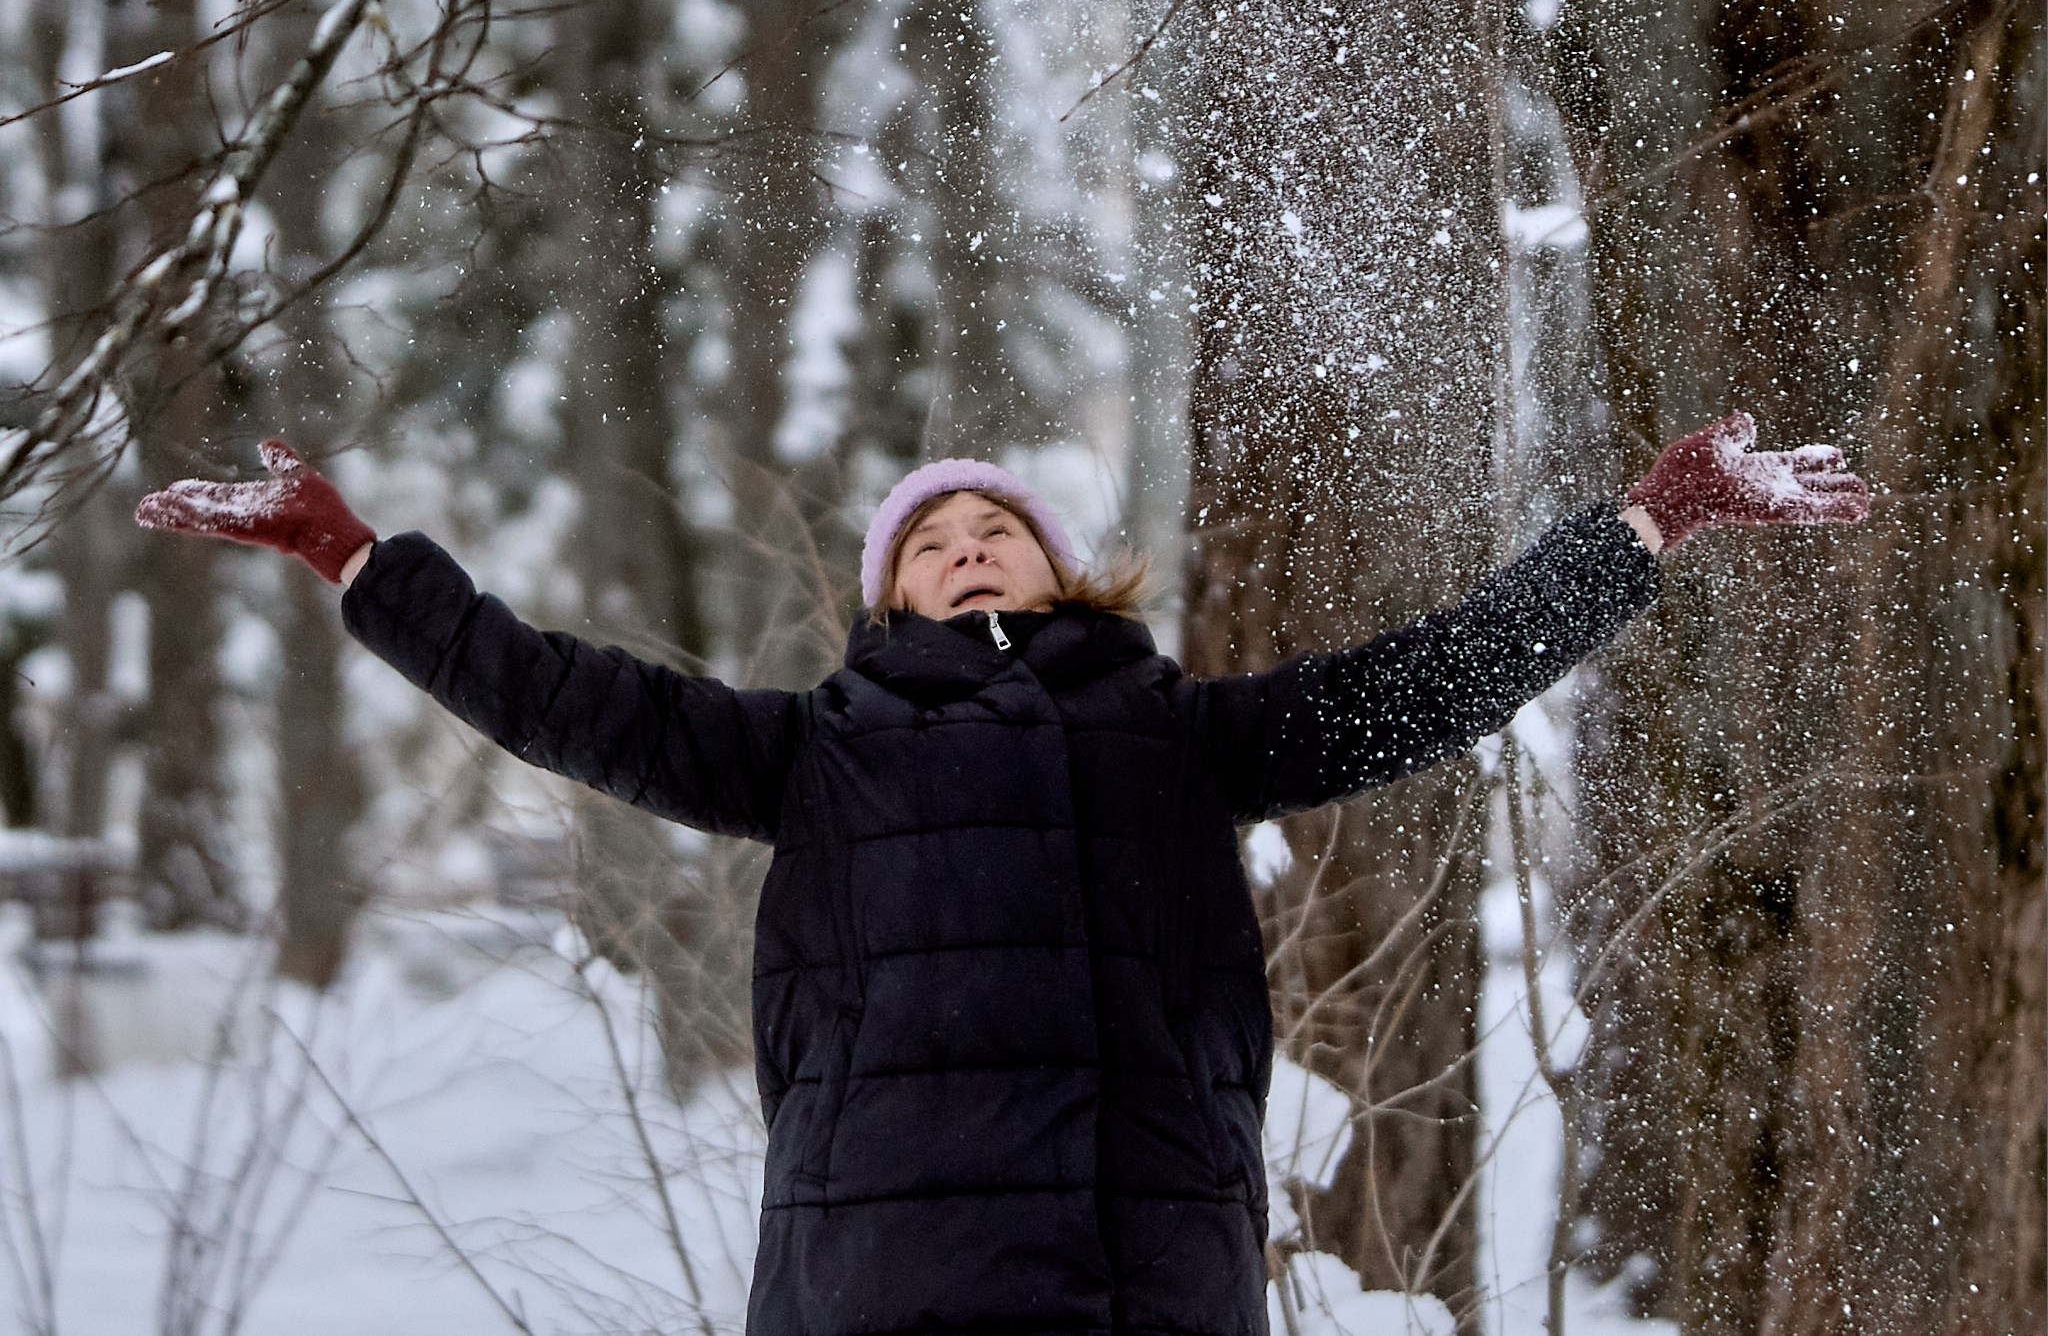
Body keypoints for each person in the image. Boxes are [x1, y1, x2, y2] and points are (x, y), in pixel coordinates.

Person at [135, 414, 1867, 1336]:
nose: (968, 547)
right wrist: (363, 562)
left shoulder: (1181, 728)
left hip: (1145, 1261)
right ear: (886, 603)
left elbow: (1430, 679)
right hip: (884, 1266)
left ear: (1061, 571)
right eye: (931, 544)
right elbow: (562, 697)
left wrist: (1640, 529)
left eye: (998, 530)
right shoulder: (815, 744)